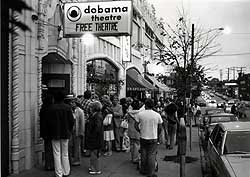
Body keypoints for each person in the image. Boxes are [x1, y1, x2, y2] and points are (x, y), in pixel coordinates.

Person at [47, 91, 75, 177]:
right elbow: (71, 121)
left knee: (56, 153)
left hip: (55, 133)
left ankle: (59, 173)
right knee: (65, 153)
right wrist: (69, 130)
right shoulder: (67, 108)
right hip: (65, 132)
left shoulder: (51, 108)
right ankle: (66, 171)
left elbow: (49, 122)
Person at [135, 98, 163, 177]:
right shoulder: (157, 114)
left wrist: (140, 131)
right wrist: (157, 133)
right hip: (153, 137)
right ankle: (151, 172)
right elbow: (160, 127)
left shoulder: (140, 114)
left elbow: (135, 125)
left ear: (145, 105)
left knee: (143, 153)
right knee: (151, 155)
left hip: (143, 136)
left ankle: (143, 169)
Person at [65, 96, 85, 166]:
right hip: (70, 131)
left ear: (76, 103)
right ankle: (69, 160)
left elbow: (82, 123)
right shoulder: (69, 110)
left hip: (77, 131)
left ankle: (77, 160)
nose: (71, 104)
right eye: (71, 102)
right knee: (69, 146)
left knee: (77, 146)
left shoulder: (80, 111)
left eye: (73, 102)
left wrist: (81, 132)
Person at [85, 101, 104, 175]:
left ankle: (95, 169)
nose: (89, 108)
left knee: (94, 154)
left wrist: (92, 136)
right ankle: (94, 167)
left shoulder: (97, 116)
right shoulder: (96, 115)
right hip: (96, 138)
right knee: (95, 153)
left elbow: (97, 128)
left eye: (91, 107)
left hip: (95, 138)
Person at [40, 93, 54, 171]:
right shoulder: (51, 109)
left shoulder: (43, 108)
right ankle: (50, 165)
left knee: (47, 148)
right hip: (51, 131)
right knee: (51, 148)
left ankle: (47, 164)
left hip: (44, 131)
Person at [126, 99, 141, 164]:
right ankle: (136, 158)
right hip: (137, 129)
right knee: (137, 144)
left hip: (130, 129)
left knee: (131, 144)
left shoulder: (129, 113)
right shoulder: (140, 113)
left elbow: (128, 120)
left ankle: (132, 158)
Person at [80, 90, 93, 156]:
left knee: (81, 135)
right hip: (87, 120)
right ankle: (85, 148)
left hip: (80, 119)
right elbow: (91, 113)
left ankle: (81, 148)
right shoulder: (90, 103)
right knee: (86, 135)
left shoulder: (80, 100)